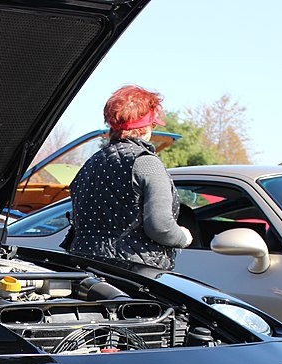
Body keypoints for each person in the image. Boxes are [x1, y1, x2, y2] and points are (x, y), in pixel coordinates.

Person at [66, 85, 192, 269]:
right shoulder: (147, 163)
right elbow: (161, 226)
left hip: (84, 265)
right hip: (132, 271)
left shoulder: (91, 163)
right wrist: (182, 237)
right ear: (146, 126)